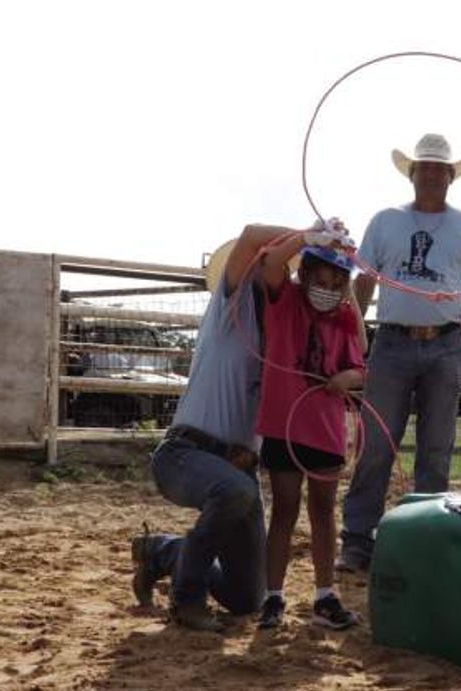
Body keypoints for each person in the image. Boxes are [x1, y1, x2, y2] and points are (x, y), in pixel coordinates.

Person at [130, 220, 349, 631]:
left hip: (236, 467)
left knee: (245, 596)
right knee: (236, 491)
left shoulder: (290, 327)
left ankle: (163, 553)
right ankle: (188, 600)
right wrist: (310, 235)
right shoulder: (230, 308)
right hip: (186, 453)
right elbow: (251, 235)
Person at [338, 133, 461, 572]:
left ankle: (425, 535)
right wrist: (353, 338)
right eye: (423, 167)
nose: (430, 174)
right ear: (412, 174)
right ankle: (357, 539)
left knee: (436, 447)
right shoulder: (384, 221)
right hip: (391, 341)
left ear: (450, 177)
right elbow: (364, 285)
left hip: (447, 343)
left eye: (438, 168)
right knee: (376, 444)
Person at [252, 237, 366, 630]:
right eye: (323, 281)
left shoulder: (346, 319)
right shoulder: (283, 303)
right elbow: (269, 262)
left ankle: (324, 595)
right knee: (284, 508)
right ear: (304, 274)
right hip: (284, 425)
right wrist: (308, 236)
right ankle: (273, 596)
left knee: (323, 510)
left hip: (325, 428)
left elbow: (359, 367)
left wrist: (345, 378)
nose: (329, 292)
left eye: (338, 285)